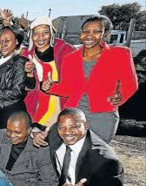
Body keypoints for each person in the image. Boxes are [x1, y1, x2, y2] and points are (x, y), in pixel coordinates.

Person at [41, 15, 138, 143]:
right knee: (69, 153)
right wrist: (50, 87)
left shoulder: (120, 54)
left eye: (96, 31)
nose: (89, 35)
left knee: (95, 156)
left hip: (103, 117)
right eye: (86, 31)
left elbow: (131, 84)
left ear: (105, 34)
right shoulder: (70, 58)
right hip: (73, 115)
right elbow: (68, 89)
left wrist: (120, 96)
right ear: (81, 34)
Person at [0, 25, 34, 153]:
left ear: (16, 41)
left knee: (6, 151)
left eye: (7, 40)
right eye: (0, 41)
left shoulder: (21, 62)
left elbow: (17, 91)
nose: (3, 44)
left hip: (10, 114)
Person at [22, 16, 75, 128]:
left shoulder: (66, 51)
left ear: (52, 33)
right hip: (35, 114)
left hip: (61, 113)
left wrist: (53, 87)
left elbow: (75, 86)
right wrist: (29, 74)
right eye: (36, 33)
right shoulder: (27, 56)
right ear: (31, 36)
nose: (40, 37)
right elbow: (25, 88)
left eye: (45, 32)